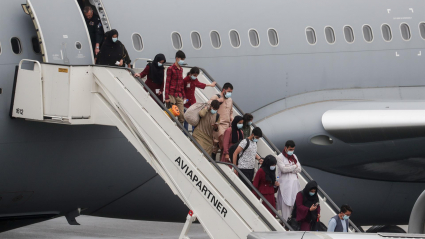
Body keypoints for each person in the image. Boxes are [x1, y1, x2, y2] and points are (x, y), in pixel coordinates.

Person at [277, 140, 302, 221]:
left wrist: (290, 168)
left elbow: (299, 169)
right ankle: (285, 224)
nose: (292, 151)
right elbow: (283, 169)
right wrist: (294, 167)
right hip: (285, 186)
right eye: (290, 149)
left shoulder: (294, 157)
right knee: (285, 206)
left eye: (293, 149)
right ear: (286, 148)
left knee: (294, 205)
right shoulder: (280, 157)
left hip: (294, 185)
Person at [208, 83, 234, 160]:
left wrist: (231, 118)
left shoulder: (230, 100)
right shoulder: (216, 96)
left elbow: (231, 111)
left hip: (227, 125)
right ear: (224, 90)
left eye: (231, 92)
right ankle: (213, 156)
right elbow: (208, 104)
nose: (230, 93)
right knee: (218, 142)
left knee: (225, 144)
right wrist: (218, 100)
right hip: (219, 124)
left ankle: (221, 160)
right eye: (229, 91)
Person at [165, 50, 186, 125]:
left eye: (183, 59)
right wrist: (166, 97)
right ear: (177, 58)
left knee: (181, 115)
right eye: (181, 59)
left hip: (179, 94)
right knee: (172, 114)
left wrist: (184, 95)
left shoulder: (181, 69)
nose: (182, 61)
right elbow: (167, 83)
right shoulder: (171, 69)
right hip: (171, 94)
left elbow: (181, 83)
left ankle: (180, 130)